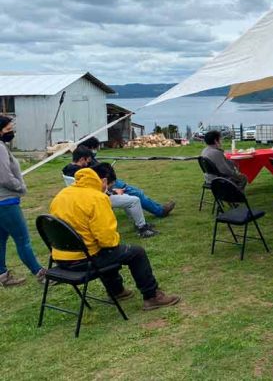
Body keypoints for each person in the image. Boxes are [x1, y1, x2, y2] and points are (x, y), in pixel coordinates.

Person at [50, 163, 180, 310]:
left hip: (61, 258)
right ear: (103, 182)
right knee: (135, 252)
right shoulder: (97, 198)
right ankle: (152, 296)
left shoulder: (61, 195)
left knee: (105, 250)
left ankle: (116, 290)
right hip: (84, 260)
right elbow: (107, 241)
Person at [62, 146, 158, 238]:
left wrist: (112, 191)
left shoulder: (67, 169)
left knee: (126, 197)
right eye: (88, 160)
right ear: (82, 159)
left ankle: (139, 223)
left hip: (85, 197)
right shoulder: (84, 173)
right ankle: (142, 228)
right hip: (95, 199)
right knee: (134, 200)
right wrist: (113, 192)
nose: (88, 163)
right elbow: (96, 189)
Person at [0, 116, 47, 287]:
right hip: (5, 202)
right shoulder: (0, 148)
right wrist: (20, 187)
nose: (11, 131)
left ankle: (3, 275)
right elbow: (4, 177)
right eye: (8, 128)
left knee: (1, 239)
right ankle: (40, 273)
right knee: (22, 239)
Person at [81, 137, 175, 217]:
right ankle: (160, 211)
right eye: (94, 148)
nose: (95, 151)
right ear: (90, 148)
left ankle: (158, 208)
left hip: (107, 182)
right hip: (106, 185)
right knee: (137, 193)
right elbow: (96, 175)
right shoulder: (85, 162)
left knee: (136, 191)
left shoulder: (83, 159)